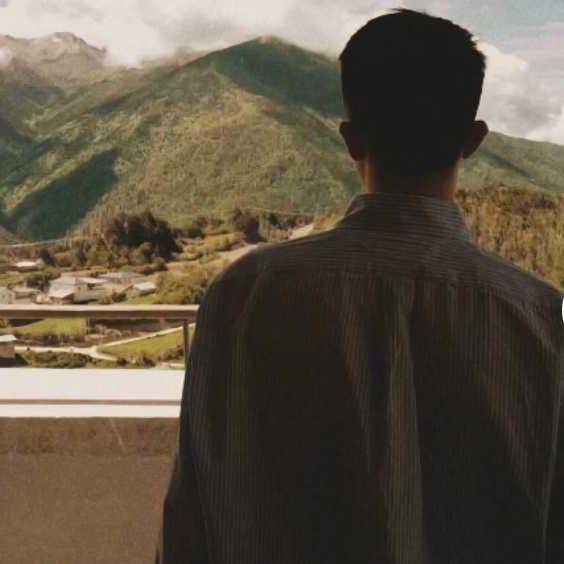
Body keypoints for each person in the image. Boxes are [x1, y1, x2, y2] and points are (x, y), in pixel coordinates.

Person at [156, 8, 564, 563]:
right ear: (473, 140)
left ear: (350, 140)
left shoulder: (246, 293)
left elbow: (191, 516)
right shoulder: (538, 317)